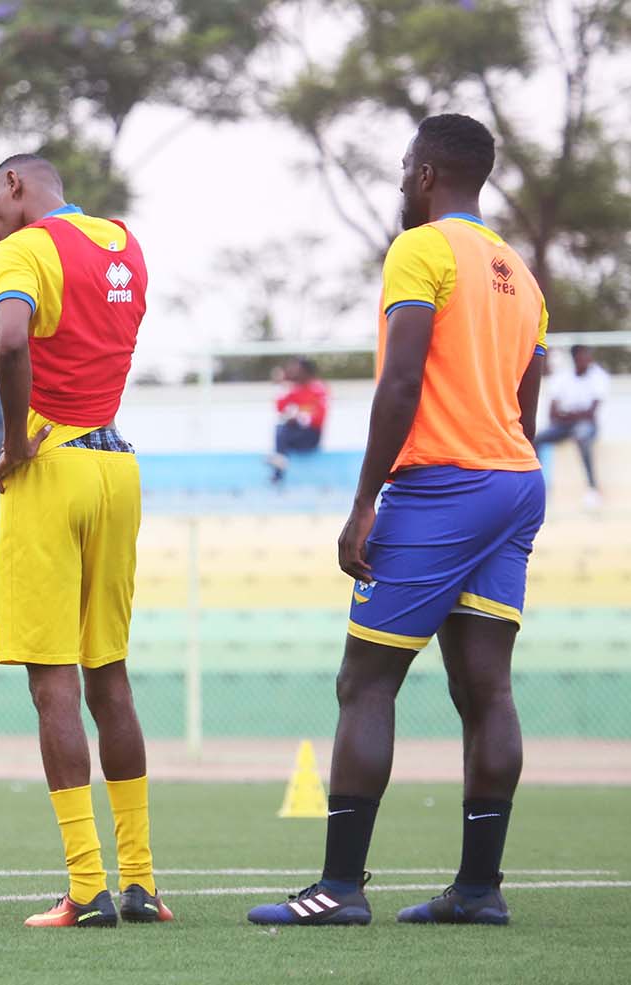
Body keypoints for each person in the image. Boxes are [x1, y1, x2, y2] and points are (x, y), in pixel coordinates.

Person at [248, 113, 548, 927]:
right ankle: (479, 891)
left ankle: (340, 888)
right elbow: (528, 399)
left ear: (423, 174)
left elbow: (401, 381)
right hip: (516, 481)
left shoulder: (419, 250)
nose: (400, 180)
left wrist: (363, 499)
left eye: (403, 166)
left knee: (366, 680)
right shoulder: (519, 271)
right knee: (485, 686)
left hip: (443, 486)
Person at [0, 153, 171, 928]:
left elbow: (10, 342)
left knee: (52, 682)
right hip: (118, 465)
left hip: (51, 468)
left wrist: (18, 440)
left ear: (17, 186)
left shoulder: (23, 249)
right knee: (110, 676)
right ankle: (143, 883)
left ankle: (87, 886)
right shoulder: (125, 242)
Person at [534, 345, 609, 506]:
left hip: (585, 426)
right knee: (538, 439)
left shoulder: (598, 376)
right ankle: (536, 484)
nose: (587, 360)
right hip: (564, 426)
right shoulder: (563, 378)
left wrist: (568, 414)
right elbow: (552, 414)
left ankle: (592, 488)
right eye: (583, 357)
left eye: (588, 356)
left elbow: (591, 414)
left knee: (582, 436)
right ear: (575, 358)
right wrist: (574, 415)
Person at [268, 357, 329, 483]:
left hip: (311, 435)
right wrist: (281, 384)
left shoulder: (318, 388)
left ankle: (278, 469)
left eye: (296, 369)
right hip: (294, 433)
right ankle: (279, 466)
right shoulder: (294, 389)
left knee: (283, 433)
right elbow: (280, 407)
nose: (293, 372)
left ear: (305, 371)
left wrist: (299, 417)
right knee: (281, 429)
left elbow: (319, 417)